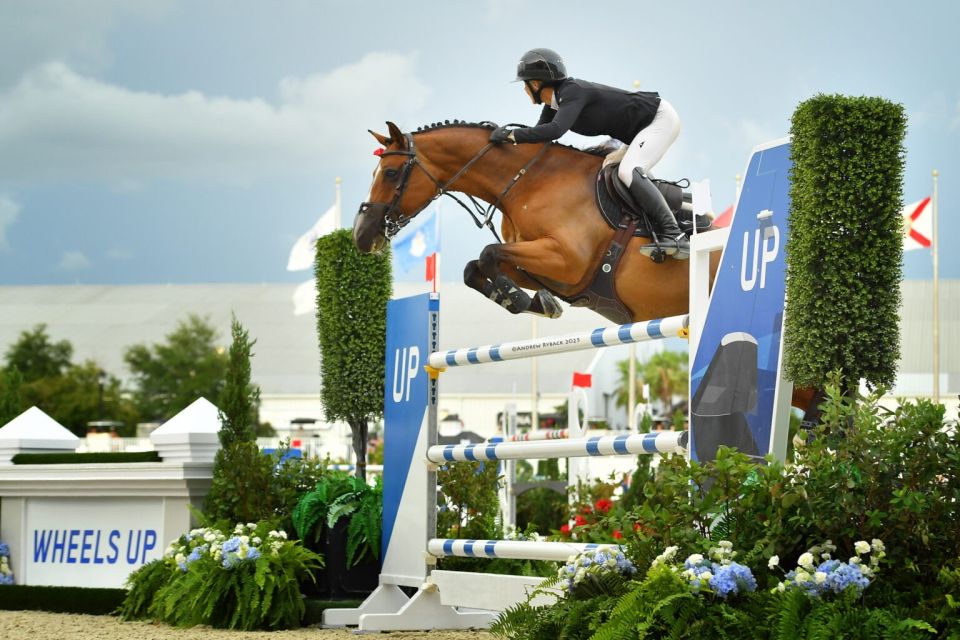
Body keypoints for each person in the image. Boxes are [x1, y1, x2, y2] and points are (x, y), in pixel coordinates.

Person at [491, 48, 689, 259]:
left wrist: (511, 135)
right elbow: (540, 137)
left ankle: (675, 235)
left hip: (659, 119)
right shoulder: (555, 103)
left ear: (536, 84)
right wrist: (504, 150)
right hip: (639, 131)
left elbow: (555, 130)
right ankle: (683, 208)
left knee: (628, 172)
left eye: (525, 84)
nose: (525, 90)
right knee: (610, 168)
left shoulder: (572, 92)